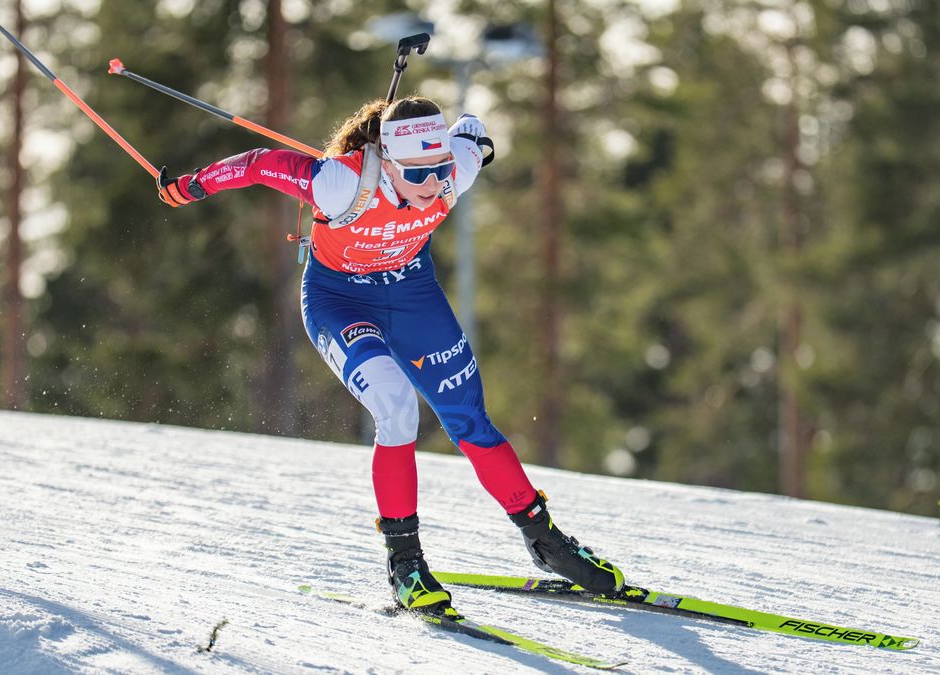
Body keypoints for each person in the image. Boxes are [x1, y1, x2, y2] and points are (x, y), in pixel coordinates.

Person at [156, 96, 625, 612]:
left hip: (412, 296)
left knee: (470, 419)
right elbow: (258, 163)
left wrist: (473, 137)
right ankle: (405, 562)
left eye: (440, 168)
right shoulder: (339, 182)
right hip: (340, 302)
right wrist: (192, 185)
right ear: (388, 162)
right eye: (418, 174)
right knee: (397, 408)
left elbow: (471, 127)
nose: (433, 185)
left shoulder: (457, 169)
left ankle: (545, 541)